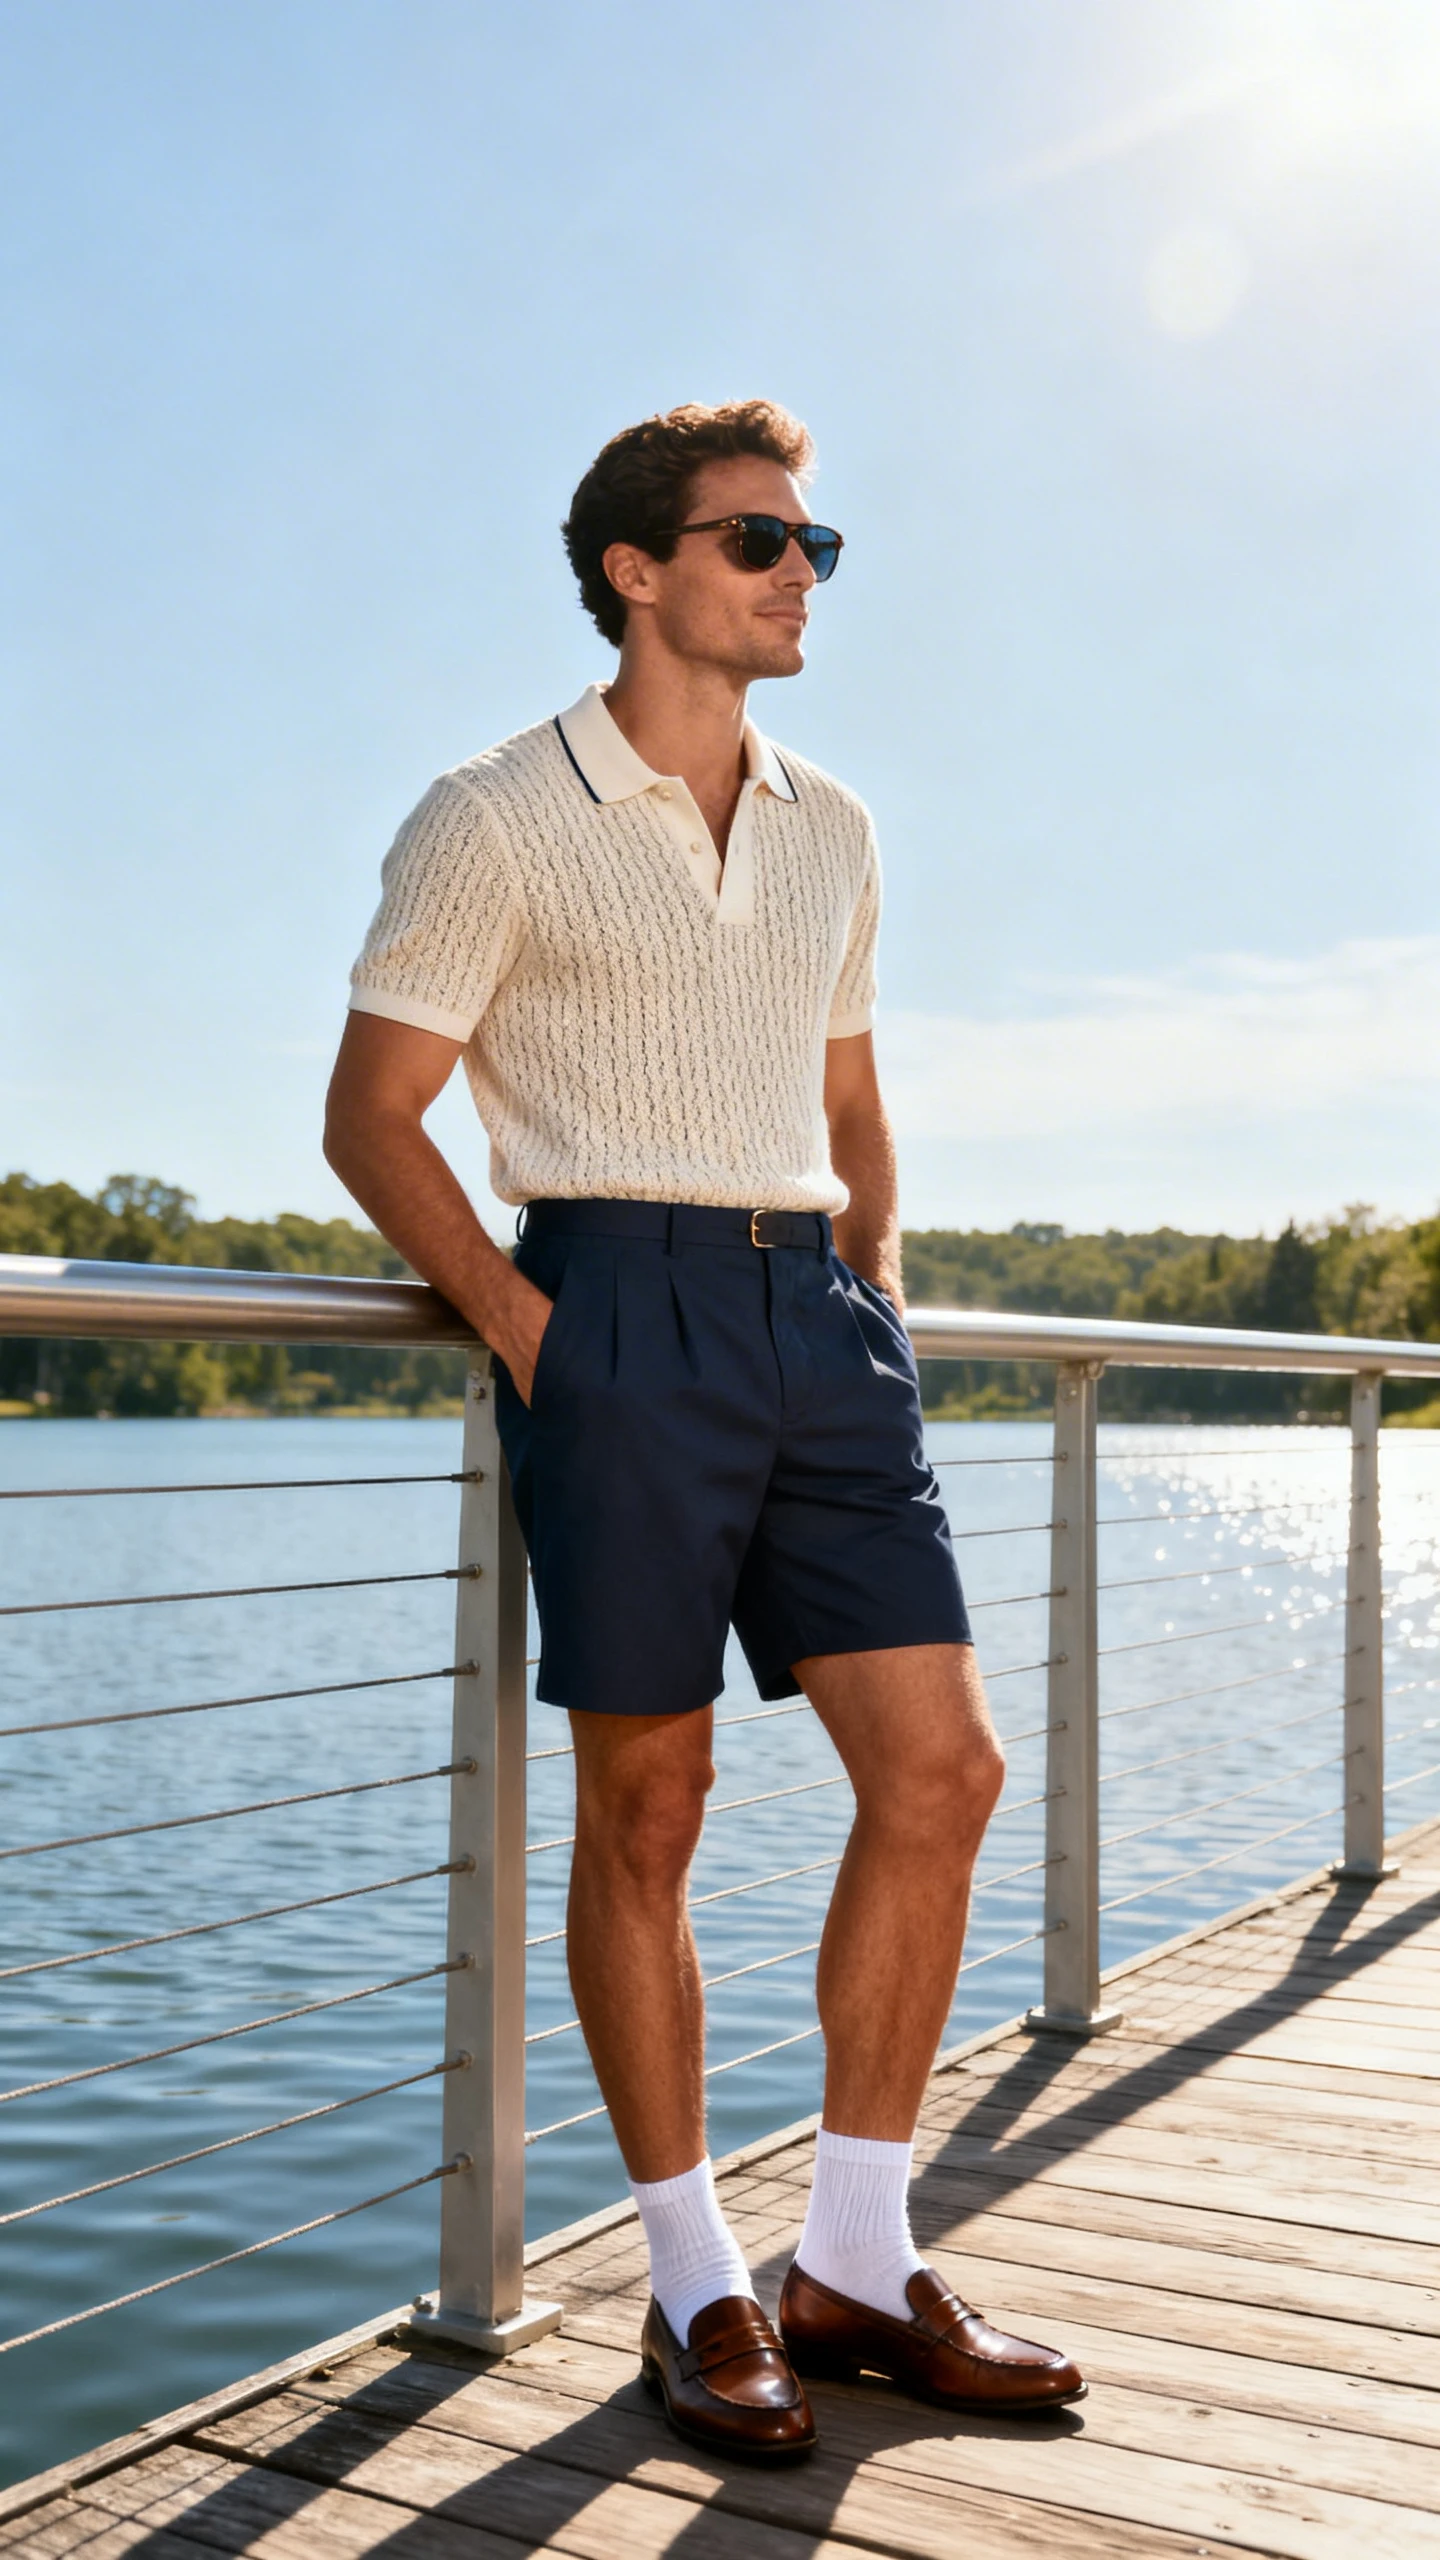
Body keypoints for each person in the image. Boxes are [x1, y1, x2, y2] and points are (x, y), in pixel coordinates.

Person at [324, 399, 1084, 2460]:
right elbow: (372, 1113)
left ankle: (852, 2250)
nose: (799, 570)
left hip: (816, 1316)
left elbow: (849, 1096)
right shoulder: (495, 811)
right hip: (617, 1303)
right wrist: (530, 1326)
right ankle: (692, 2281)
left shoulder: (834, 823)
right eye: (760, 538)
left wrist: (879, 1289)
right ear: (635, 570)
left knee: (944, 1766)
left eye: (817, 541)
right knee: (646, 1811)